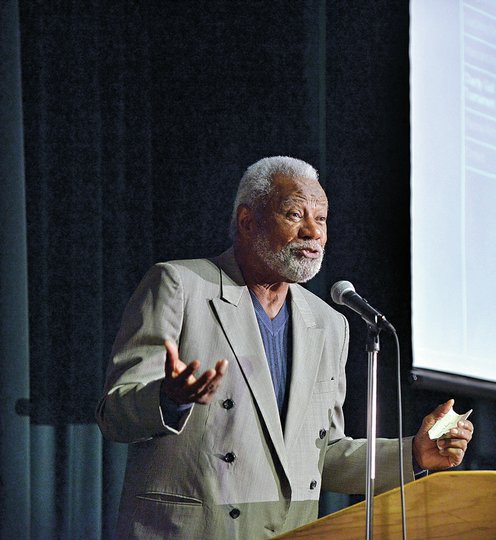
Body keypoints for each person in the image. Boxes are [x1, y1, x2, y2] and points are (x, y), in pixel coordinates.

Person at [95, 156, 474, 539]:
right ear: (247, 221)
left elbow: (324, 454)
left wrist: (414, 452)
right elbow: (114, 413)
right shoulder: (180, 285)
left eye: (322, 219)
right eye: (295, 214)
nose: (313, 232)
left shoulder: (329, 323)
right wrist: (168, 398)